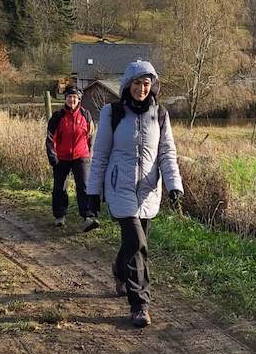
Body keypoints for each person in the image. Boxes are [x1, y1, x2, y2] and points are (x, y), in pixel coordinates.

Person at [86, 60, 183, 328]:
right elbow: (101, 155)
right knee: (138, 244)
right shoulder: (112, 113)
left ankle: (118, 269)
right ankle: (140, 304)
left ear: (152, 86)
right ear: (128, 85)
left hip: (149, 191)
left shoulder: (160, 115)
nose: (142, 88)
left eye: (146, 83)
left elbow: (167, 153)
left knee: (134, 245)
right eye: (137, 83)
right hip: (120, 188)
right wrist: (93, 193)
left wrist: (174, 185)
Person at [45, 86, 99, 230]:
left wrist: (88, 154)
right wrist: (53, 157)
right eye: (69, 97)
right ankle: (60, 216)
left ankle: (88, 216)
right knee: (60, 187)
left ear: (79, 99)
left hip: (81, 157)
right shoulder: (57, 117)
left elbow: (91, 136)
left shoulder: (86, 115)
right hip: (61, 158)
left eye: (74, 97)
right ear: (65, 99)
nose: (72, 100)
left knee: (84, 186)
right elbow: (50, 138)